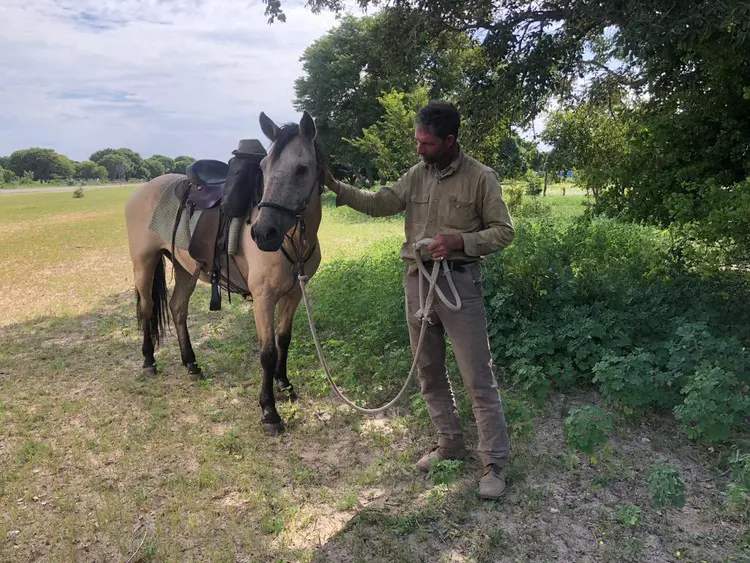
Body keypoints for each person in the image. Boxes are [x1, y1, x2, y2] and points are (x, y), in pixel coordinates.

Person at [323, 100, 515, 500]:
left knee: (477, 377)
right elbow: (379, 203)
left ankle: (494, 463)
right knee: (427, 369)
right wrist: (335, 186)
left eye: (426, 144)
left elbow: (503, 232)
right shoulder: (416, 175)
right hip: (417, 282)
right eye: (417, 141)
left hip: (459, 286)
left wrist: (459, 241)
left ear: (450, 140)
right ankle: (449, 444)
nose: (419, 150)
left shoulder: (481, 178)